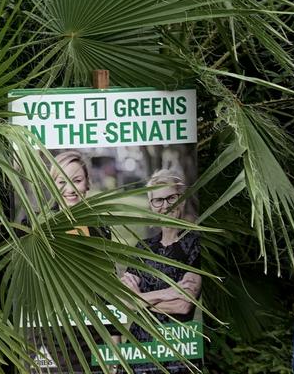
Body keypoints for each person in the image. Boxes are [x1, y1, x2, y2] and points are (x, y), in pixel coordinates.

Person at [120, 169, 201, 374]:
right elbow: (125, 302)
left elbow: (183, 305)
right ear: (151, 205)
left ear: (181, 199)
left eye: (171, 197)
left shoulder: (195, 245)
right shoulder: (143, 248)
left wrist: (140, 299)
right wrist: (168, 293)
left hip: (176, 350)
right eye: (158, 200)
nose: (165, 205)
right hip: (138, 350)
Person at [51, 149, 110, 239]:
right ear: (52, 185)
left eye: (77, 181)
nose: (70, 190)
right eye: (62, 182)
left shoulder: (101, 227)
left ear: (87, 183)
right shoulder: (35, 225)